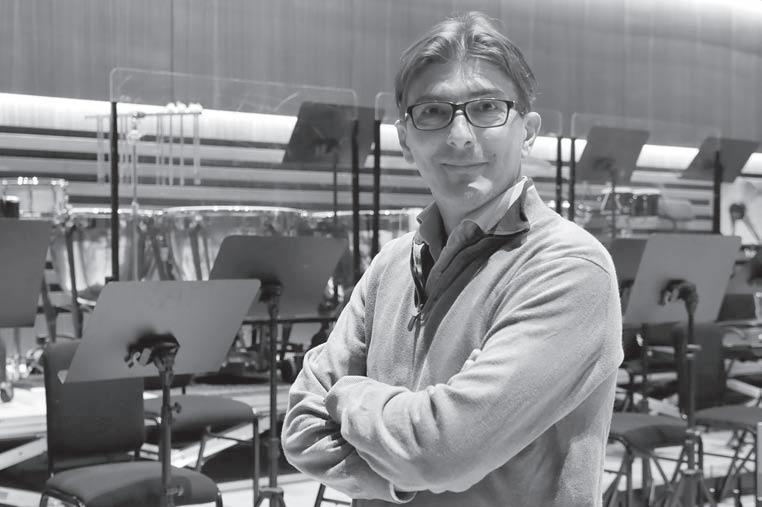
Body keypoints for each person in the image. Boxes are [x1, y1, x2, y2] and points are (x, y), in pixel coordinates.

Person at [282, 11, 623, 507]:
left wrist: (348, 396)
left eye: (486, 108)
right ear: (405, 140)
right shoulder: (389, 265)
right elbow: (300, 430)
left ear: (527, 131)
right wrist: (405, 462)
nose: (460, 135)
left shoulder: (569, 267)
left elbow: (442, 454)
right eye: (433, 112)